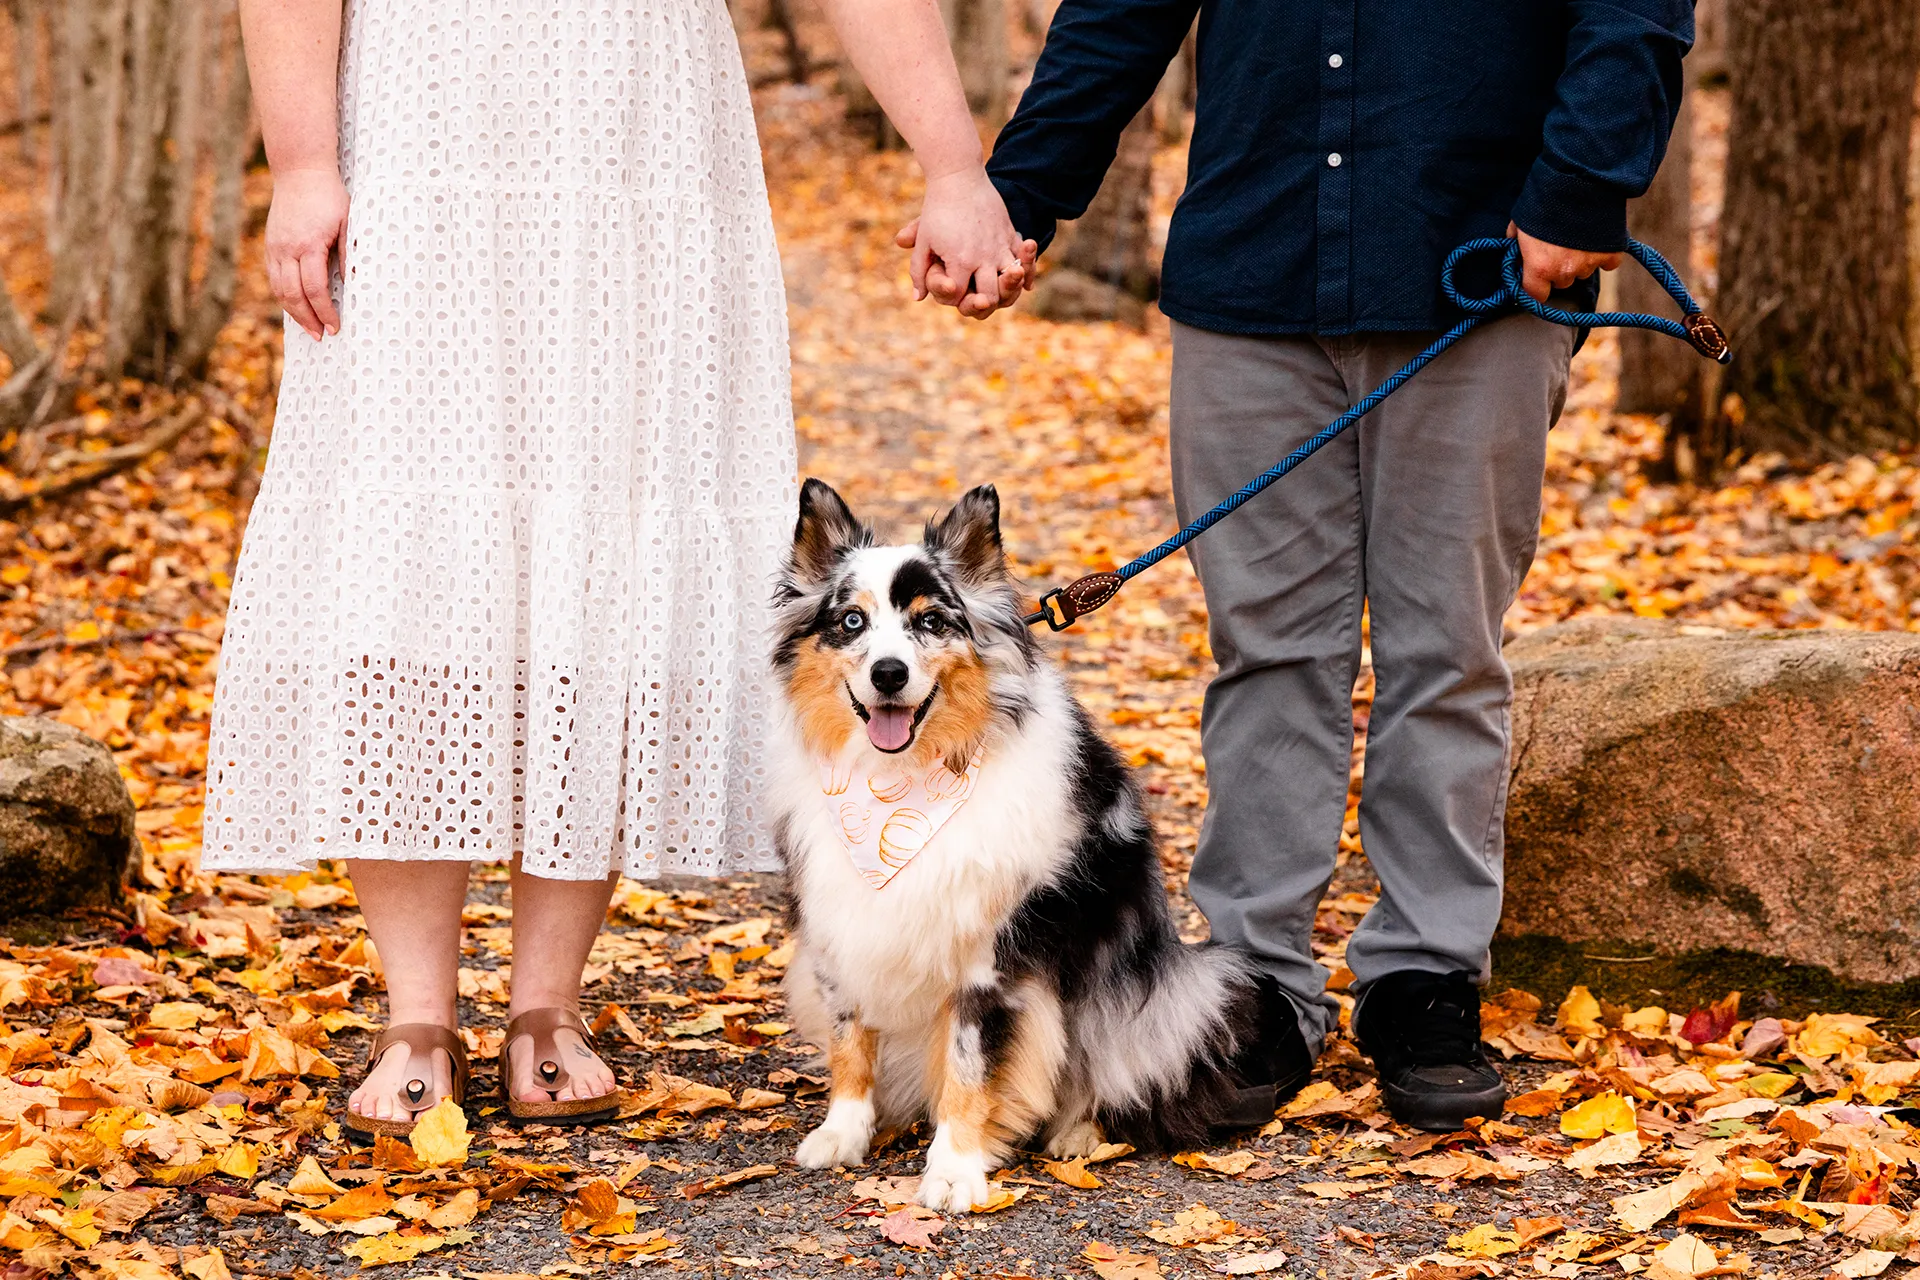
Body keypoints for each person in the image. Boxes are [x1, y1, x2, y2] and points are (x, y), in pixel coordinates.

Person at [206, 0, 1032, 1137]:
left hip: (640, 139)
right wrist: (301, 161)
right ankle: (416, 1014)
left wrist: (952, 162)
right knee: (414, 560)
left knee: (607, 551)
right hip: (417, 128)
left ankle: (549, 1004)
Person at [923, 0, 1692, 1129]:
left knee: (1447, 648)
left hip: (1481, 270)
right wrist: (1018, 196)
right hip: (1254, 266)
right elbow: (1118, 15)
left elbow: (1635, 9)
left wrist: (1581, 184)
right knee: (1268, 651)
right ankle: (1254, 979)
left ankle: (1423, 977)